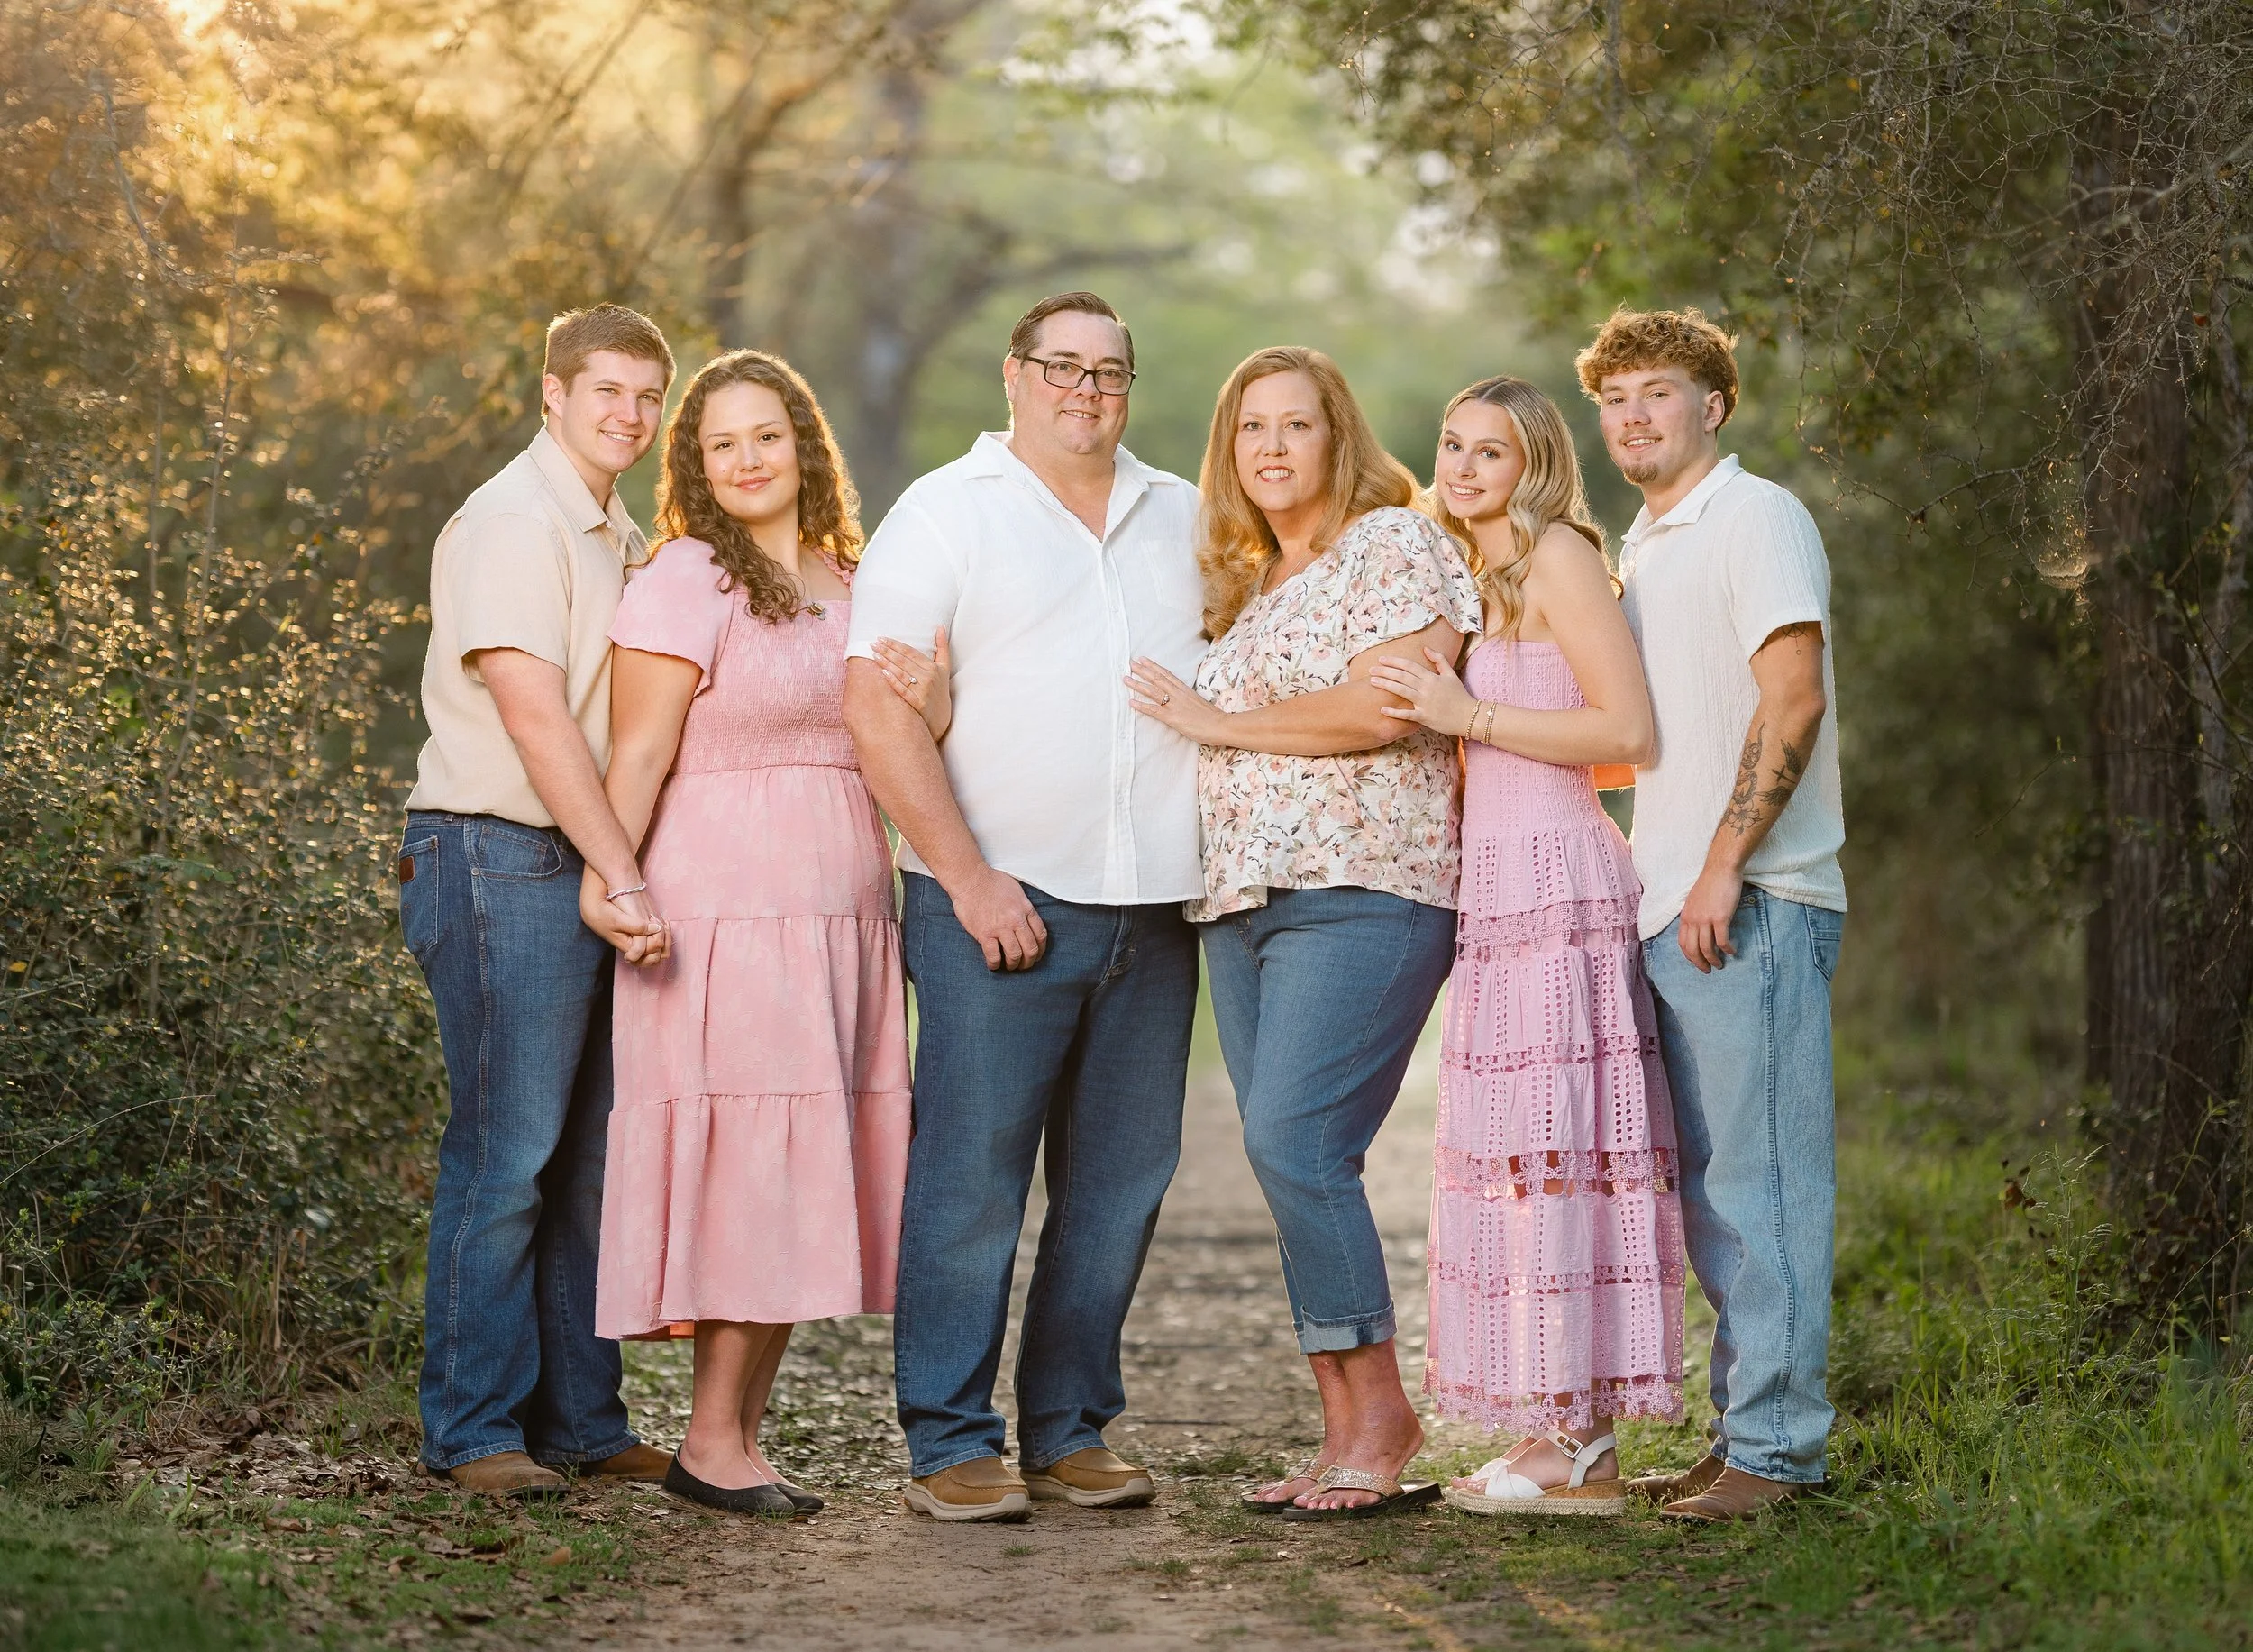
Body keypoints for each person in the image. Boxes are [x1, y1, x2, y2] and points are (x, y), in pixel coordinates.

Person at [842, 292, 1206, 1523]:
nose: (1086, 391)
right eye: (1062, 367)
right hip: (996, 901)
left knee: (1118, 1189)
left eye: (1109, 370)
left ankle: (1070, 1430)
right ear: (1014, 375)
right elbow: (877, 707)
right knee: (972, 1185)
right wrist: (965, 875)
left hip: (1156, 908)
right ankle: (950, 1440)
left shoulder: (1185, 514)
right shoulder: (945, 511)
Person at [1125, 347, 1482, 1520]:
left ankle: (1383, 1417)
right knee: (1285, 1157)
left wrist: (1218, 722)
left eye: (1297, 425)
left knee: (1296, 1140)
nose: (1272, 447)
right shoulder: (1251, 584)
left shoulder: (1392, 542)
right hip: (1241, 902)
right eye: (1251, 428)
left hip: (1365, 884)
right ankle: (1342, 1433)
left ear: (1340, 437)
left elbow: (1387, 706)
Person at [587, 350, 913, 1515]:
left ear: (804, 443)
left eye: (765, 435)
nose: (746, 459)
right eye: (720, 443)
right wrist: (611, 879)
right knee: (747, 1167)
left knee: (800, 1161)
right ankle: (711, 1440)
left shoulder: (854, 577)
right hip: (724, 909)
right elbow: (638, 749)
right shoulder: (688, 576)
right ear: (696, 463)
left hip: (842, 914)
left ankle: (733, 1438)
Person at [1367, 376, 1685, 1517]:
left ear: (1533, 464)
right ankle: (1560, 1435)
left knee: (1565, 1156)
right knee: (1516, 1163)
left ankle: (1580, 1448)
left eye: (1488, 452)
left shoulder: (1556, 556)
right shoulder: (1470, 572)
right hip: (1495, 894)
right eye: (1450, 445)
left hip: (1560, 884)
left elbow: (1628, 733)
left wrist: (1473, 720)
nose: (1460, 469)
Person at [398, 304, 679, 1500]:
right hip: (497, 855)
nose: (629, 414)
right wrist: (621, 868)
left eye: (647, 395)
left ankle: (580, 1423)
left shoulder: (615, 530)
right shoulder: (514, 520)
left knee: (587, 1161)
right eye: (605, 389)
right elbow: (535, 717)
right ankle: (472, 1431)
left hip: (580, 855)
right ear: (552, 393)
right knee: (506, 1155)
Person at [1578, 307, 1847, 1522]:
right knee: (1711, 1195)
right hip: (1673, 903)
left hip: (1753, 904)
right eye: (1616, 396)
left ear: (1713, 406)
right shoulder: (1646, 543)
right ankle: (1747, 1435)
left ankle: (1779, 1453)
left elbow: (1793, 698)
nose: (1634, 414)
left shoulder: (1755, 516)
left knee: (1764, 1182)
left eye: (1659, 392)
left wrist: (1726, 864)